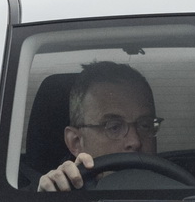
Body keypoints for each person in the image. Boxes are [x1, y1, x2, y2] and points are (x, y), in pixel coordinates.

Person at [37, 61, 163, 191]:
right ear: (75, 142)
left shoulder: (183, 192)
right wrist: (51, 197)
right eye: (114, 127)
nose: (135, 141)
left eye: (145, 125)